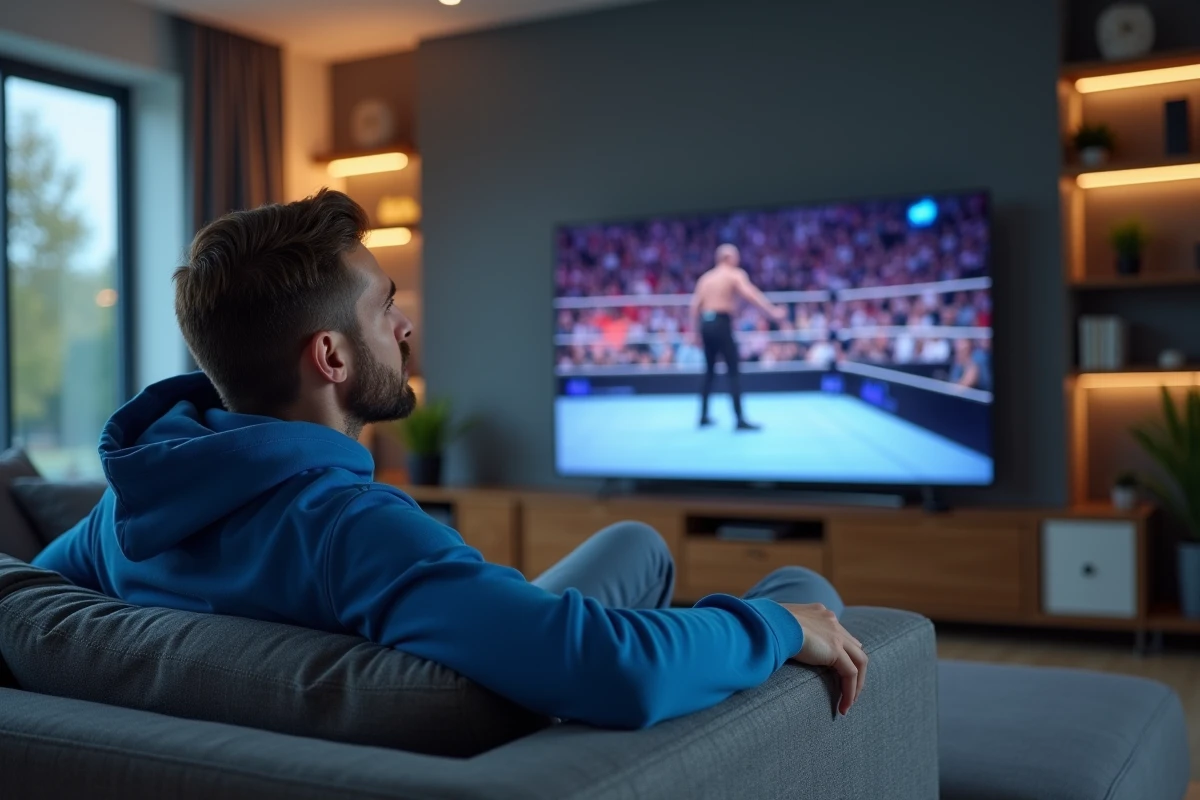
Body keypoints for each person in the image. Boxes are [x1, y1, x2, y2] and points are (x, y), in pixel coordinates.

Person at [32, 190, 866, 729]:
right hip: (537, 702)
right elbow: (612, 667)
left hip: (479, 642)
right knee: (806, 594)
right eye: (385, 306)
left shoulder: (128, 506)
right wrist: (775, 624)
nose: (403, 327)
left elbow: (35, 592)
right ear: (330, 356)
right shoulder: (351, 529)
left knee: (640, 545)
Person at [689, 244, 787, 431]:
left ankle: (702, 415)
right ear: (729, 258)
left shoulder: (706, 278)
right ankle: (739, 418)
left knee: (709, 370)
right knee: (732, 370)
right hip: (721, 323)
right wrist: (773, 312)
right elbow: (752, 295)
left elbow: (694, 307)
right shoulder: (734, 274)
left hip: (706, 323)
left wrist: (695, 333)